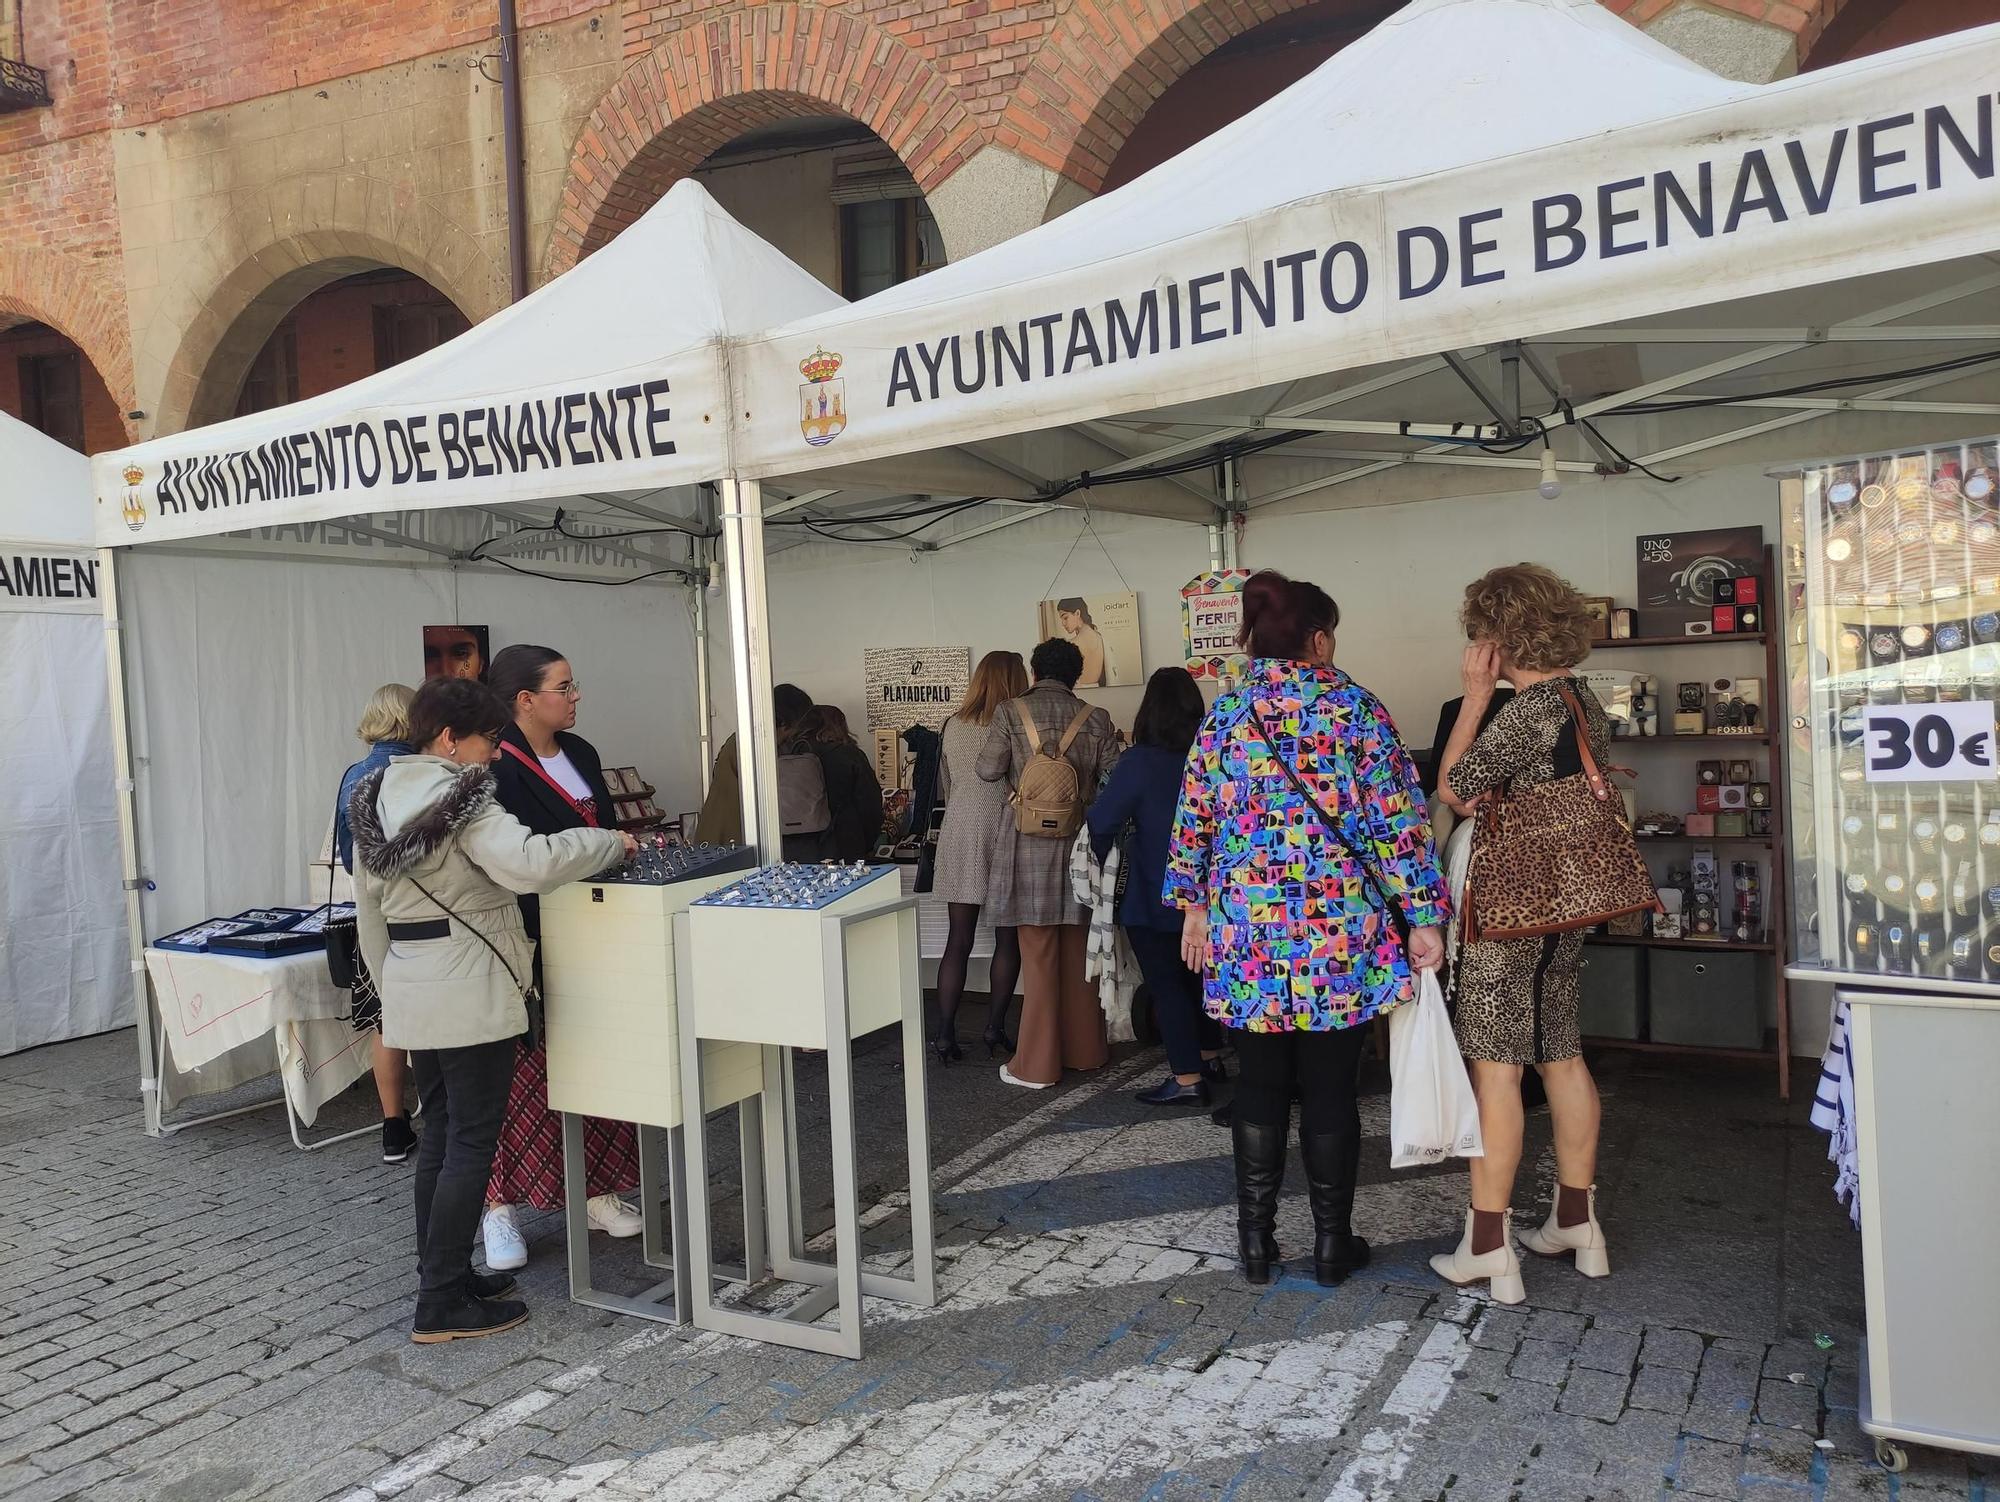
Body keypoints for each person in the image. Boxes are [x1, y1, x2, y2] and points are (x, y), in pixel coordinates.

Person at [1166, 570, 1448, 1287]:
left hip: (1247, 939)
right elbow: (1398, 826)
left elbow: (1191, 824)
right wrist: (1422, 917)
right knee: (1330, 1088)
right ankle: (1330, 1245)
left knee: (1258, 1087)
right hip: (1338, 938)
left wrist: (1196, 909)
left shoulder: (1225, 717)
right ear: (1319, 639)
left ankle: (1255, 1246)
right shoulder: (1356, 710)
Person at [350, 676, 633, 1342]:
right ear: (450, 739)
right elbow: (529, 863)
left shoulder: (376, 794)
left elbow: (368, 913)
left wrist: (393, 991)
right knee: (471, 1141)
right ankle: (441, 1301)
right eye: (488, 740)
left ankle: (440, 1274)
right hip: (472, 985)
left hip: (415, 983)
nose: (497, 755)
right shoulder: (464, 796)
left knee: (442, 1138)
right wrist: (607, 843)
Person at [1430, 563, 1614, 1305]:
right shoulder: (1583, 703)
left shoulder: (1528, 709)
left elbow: (1454, 787)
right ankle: (1577, 1222)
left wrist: (1476, 698)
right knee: (1561, 1054)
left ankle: (1486, 1244)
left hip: (1508, 903)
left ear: (1500, 634)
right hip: (1565, 899)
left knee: (1497, 1067)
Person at [479, 645, 645, 1272]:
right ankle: (497, 1207)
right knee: (518, 1076)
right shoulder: (494, 765)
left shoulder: (583, 754)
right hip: (525, 937)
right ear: (525, 699)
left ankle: (595, 1189)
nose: (576, 697)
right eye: (564, 687)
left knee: (592, 1058)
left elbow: (602, 832)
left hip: (593, 932)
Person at [978, 638, 1118, 1089]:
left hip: (1026, 847)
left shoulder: (1009, 713)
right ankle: (1086, 1052)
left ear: (1035, 673)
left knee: (1036, 954)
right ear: (1076, 676)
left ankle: (1035, 1066)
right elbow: (1115, 776)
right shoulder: (1096, 719)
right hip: (1080, 847)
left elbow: (987, 770)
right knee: (1081, 952)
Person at [1088, 668, 1225, 1106]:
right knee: (1202, 980)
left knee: (1167, 985)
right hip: (1215, 893)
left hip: (1154, 892)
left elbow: (1101, 821)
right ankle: (1209, 1055)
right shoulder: (1215, 754)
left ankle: (1187, 1079)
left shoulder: (1139, 762)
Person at [335, 684, 421, 1164]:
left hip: (371, 914)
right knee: (427, 1014)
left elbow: (349, 858)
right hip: (414, 912)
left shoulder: (353, 774)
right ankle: (441, 1112)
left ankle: (393, 1125)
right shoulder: (415, 773)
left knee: (385, 1020)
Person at [931, 651, 1029, 1063]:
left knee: (959, 940)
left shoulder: (952, 724)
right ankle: (994, 1028)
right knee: (1009, 938)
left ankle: (945, 1033)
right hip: (1005, 827)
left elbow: (947, 784)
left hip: (960, 829)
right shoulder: (1015, 722)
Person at [691, 683, 813, 848]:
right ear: (786, 722)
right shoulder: (757, 744)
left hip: (722, 832)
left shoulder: (745, 737)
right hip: (734, 839)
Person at [790, 704, 885, 862]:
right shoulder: (849, 755)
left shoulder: (790, 754)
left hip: (797, 849)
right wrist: (867, 843)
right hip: (843, 844)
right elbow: (870, 806)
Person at [1055, 598, 1107, 687]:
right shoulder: (1100, 637)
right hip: (1099, 691)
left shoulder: (1071, 645)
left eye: (1065, 617)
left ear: (1077, 613)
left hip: (1078, 694)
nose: (1063, 623)